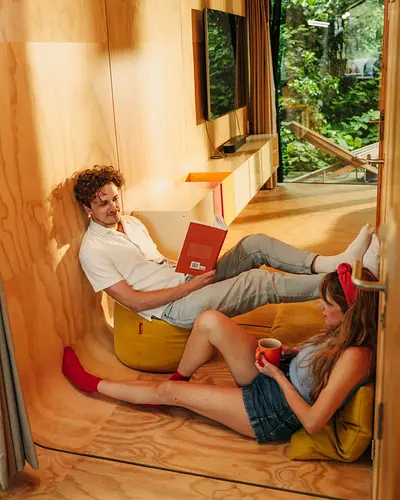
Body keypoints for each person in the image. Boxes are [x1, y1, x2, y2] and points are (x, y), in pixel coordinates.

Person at [62, 264, 378, 442]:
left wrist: (278, 376)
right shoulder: (343, 331)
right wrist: (291, 354)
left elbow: (312, 422)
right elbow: (319, 367)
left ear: (350, 311)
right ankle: (180, 380)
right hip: (275, 374)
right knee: (209, 321)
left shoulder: (356, 357)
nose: (319, 306)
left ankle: (93, 384)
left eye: (327, 303)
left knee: (167, 392)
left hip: (272, 410)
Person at [73, 165, 380, 329]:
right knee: (257, 282)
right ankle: (343, 281)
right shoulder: (93, 250)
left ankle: (335, 262)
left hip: (185, 279)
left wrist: (197, 261)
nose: (113, 208)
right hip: (173, 307)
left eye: (115, 199)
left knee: (254, 244)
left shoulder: (131, 222)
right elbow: (134, 302)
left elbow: (157, 263)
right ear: (88, 209)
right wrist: (188, 287)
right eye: (103, 204)